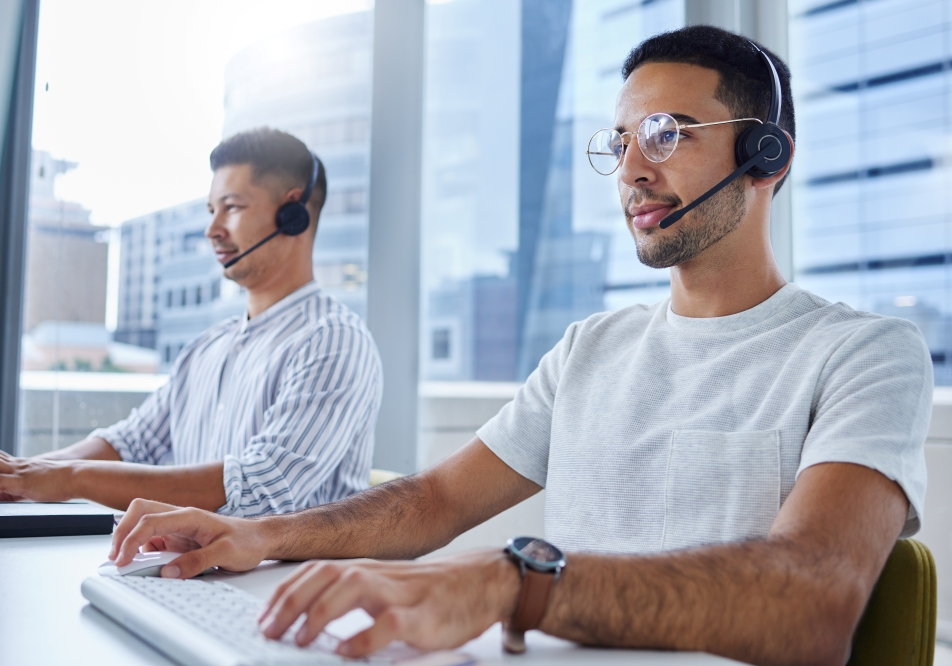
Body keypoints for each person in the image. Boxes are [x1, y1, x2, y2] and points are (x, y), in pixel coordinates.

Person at [108, 26, 932, 665]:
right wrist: (263, 534)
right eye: (620, 142)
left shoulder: (864, 353)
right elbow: (432, 503)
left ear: (765, 156)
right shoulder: (590, 349)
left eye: (665, 132)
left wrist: (514, 584)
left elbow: (813, 603)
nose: (631, 169)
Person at [0, 128, 383, 516]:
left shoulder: (333, 341)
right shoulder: (209, 347)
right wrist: (25, 474)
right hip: (197, 579)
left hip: (288, 594)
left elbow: (258, 491)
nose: (212, 229)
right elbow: (131, 444)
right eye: (212, 209)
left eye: (230, 208)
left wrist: (71, 478)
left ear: (293, 213)